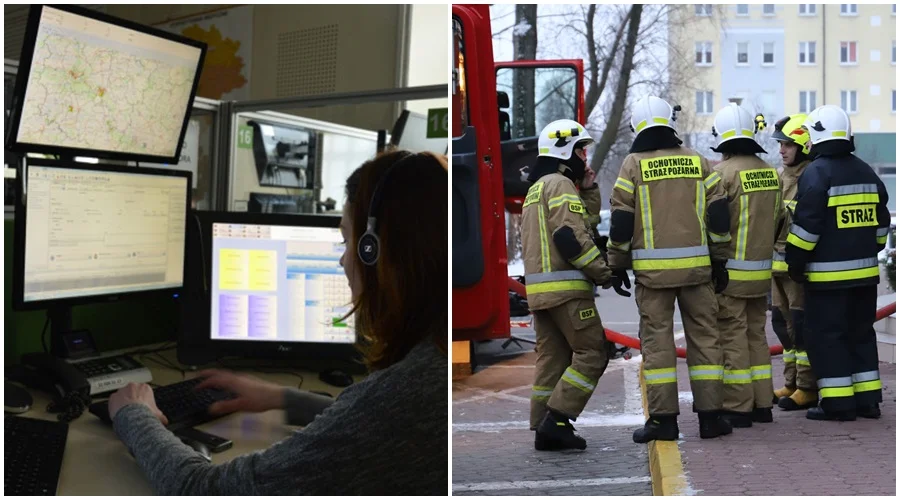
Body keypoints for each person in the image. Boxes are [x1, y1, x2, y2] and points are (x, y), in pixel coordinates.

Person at [106, 151, 449, 495]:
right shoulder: (435, 359)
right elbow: (376, 428)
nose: (344, 260)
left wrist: (134, 415)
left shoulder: (405, 392)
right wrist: (280, 397)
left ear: (376, 251)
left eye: (348, 242)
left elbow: (204, 489)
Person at [608, 95, 733, 443]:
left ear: (637, 127)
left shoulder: (632, 166)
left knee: (658, 346)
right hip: (698, 273)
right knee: (706, 340)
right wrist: (719, 258)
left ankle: (664, 422)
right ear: (669, 122)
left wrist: (617, 264)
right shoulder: (697, 162)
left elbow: (620, 221)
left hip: (652, 278)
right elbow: (719, 215)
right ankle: (711, 419)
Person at [522, 119, 625, 451]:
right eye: (581, 150)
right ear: (565, 151)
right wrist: (604, 272)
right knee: (593, 351)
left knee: (553, 358)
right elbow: (570, 237)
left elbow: (582, 222)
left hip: (541, 294)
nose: (585, 157)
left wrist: (591, 190)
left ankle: (542, 425)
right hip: (567, 292)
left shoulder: (536, 189)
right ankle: (558, 421)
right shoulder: (559, 185)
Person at [785, 105, 890, 421]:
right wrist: (869, 249)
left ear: (815, 137)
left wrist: (795, 262)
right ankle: (868, 401)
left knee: (826, 337)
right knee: (860, 335)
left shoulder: (817, 173)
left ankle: (838, 404)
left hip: (827, 280)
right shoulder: (866, 171)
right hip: (865, 276)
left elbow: (806, 228)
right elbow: (881, 225)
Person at [707, 104, 781, 428]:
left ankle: (738, 406)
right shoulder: (771, 173)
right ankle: (763, 404)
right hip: (761, 273)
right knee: (756, 337)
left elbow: (716, 223)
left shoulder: (722, 175)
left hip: (730, 275)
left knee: (731, 339)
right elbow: (781, 222)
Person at [770, 113, 818, 411]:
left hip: (798, 270)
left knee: (801, 327)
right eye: (780, 144)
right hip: (776, 269)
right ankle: (791, 383)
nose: (782, 150)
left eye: (787, 144)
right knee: (782, 327)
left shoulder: (811, 177)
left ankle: (807, 387)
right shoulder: (780, 176)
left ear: (802, 146)